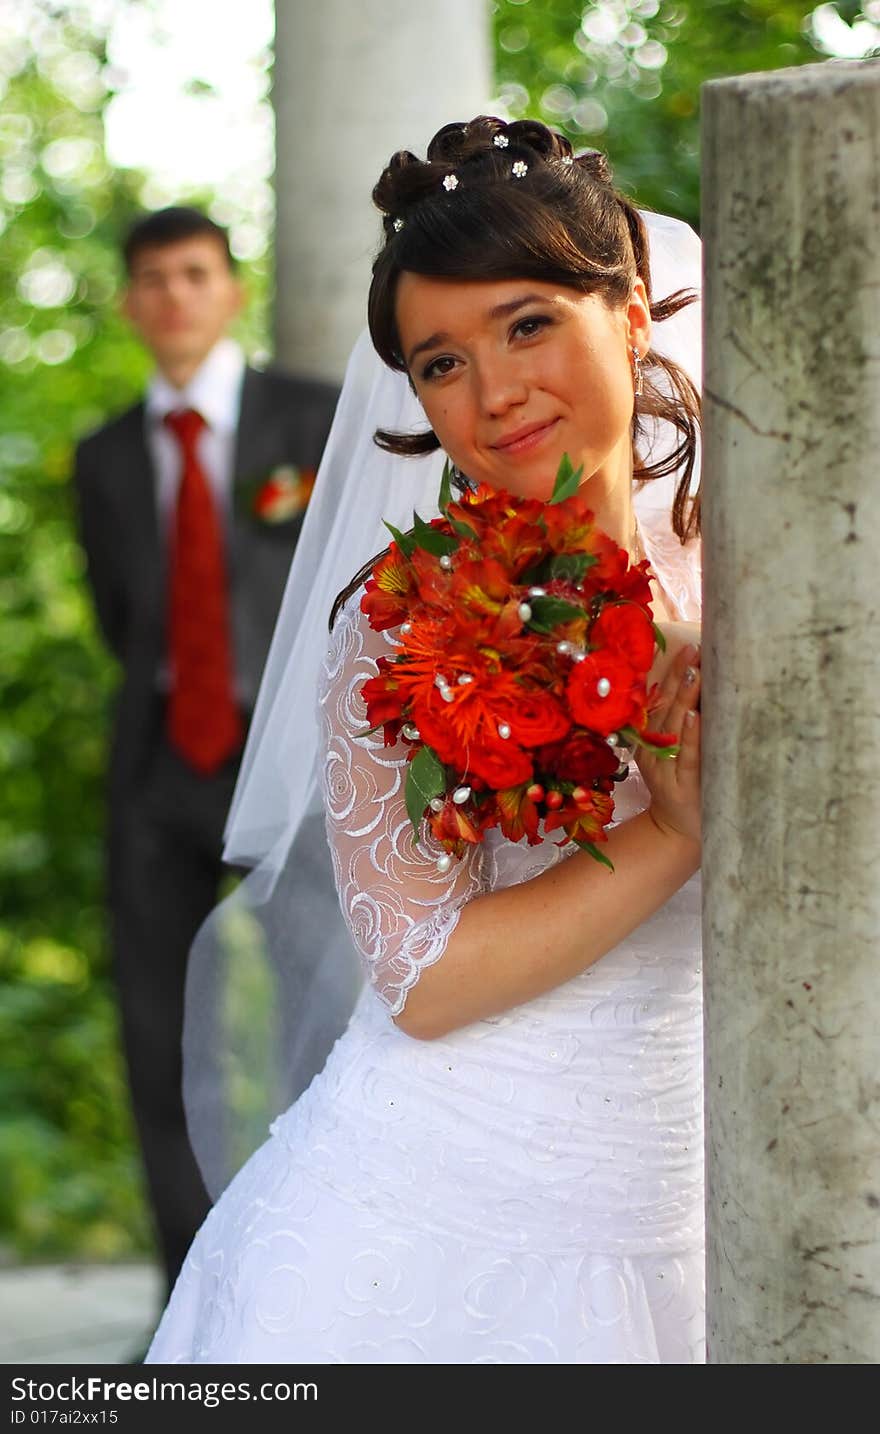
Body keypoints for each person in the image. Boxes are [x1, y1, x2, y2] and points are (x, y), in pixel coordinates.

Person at [146, 118, 704, 1365]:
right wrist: (671, 835)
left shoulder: (765, 571)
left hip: (708, 1174)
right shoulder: (404, 624)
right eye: (440, 362)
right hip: (442, 1210)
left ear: (628, 314)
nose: (494, 393)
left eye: (526, 325)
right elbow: (427, 978)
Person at [72, 206, 340, 1300]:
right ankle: (197, 1298)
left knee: (318, 1015)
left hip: (291, 769)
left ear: (230, 290)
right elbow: (117, 613)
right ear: (133, 304)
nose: (174, 295)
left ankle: (319, 1285)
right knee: (162, 1037)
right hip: (159, 773)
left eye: (194, 274)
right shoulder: (100, 457)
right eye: (152, 279)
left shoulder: (312, 420)